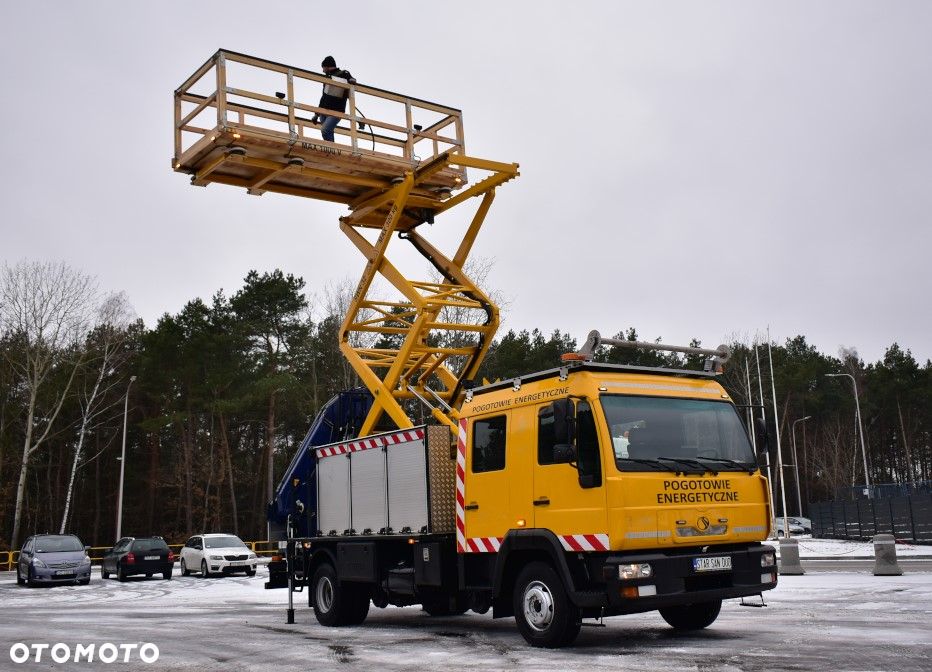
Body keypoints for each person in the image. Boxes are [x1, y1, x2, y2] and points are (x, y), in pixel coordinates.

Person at [312, 56, 356, 143]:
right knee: (327, 131)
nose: (323, 70)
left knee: (325, 130)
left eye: (323, 68)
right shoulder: (327, 78)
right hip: (323, 111)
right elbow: (323, 97)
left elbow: (353, 79)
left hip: (336, 111)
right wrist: (317, 114)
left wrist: (351, 81)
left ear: (327, 66)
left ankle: (332, 150)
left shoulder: (343, 73)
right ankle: (331, 148)